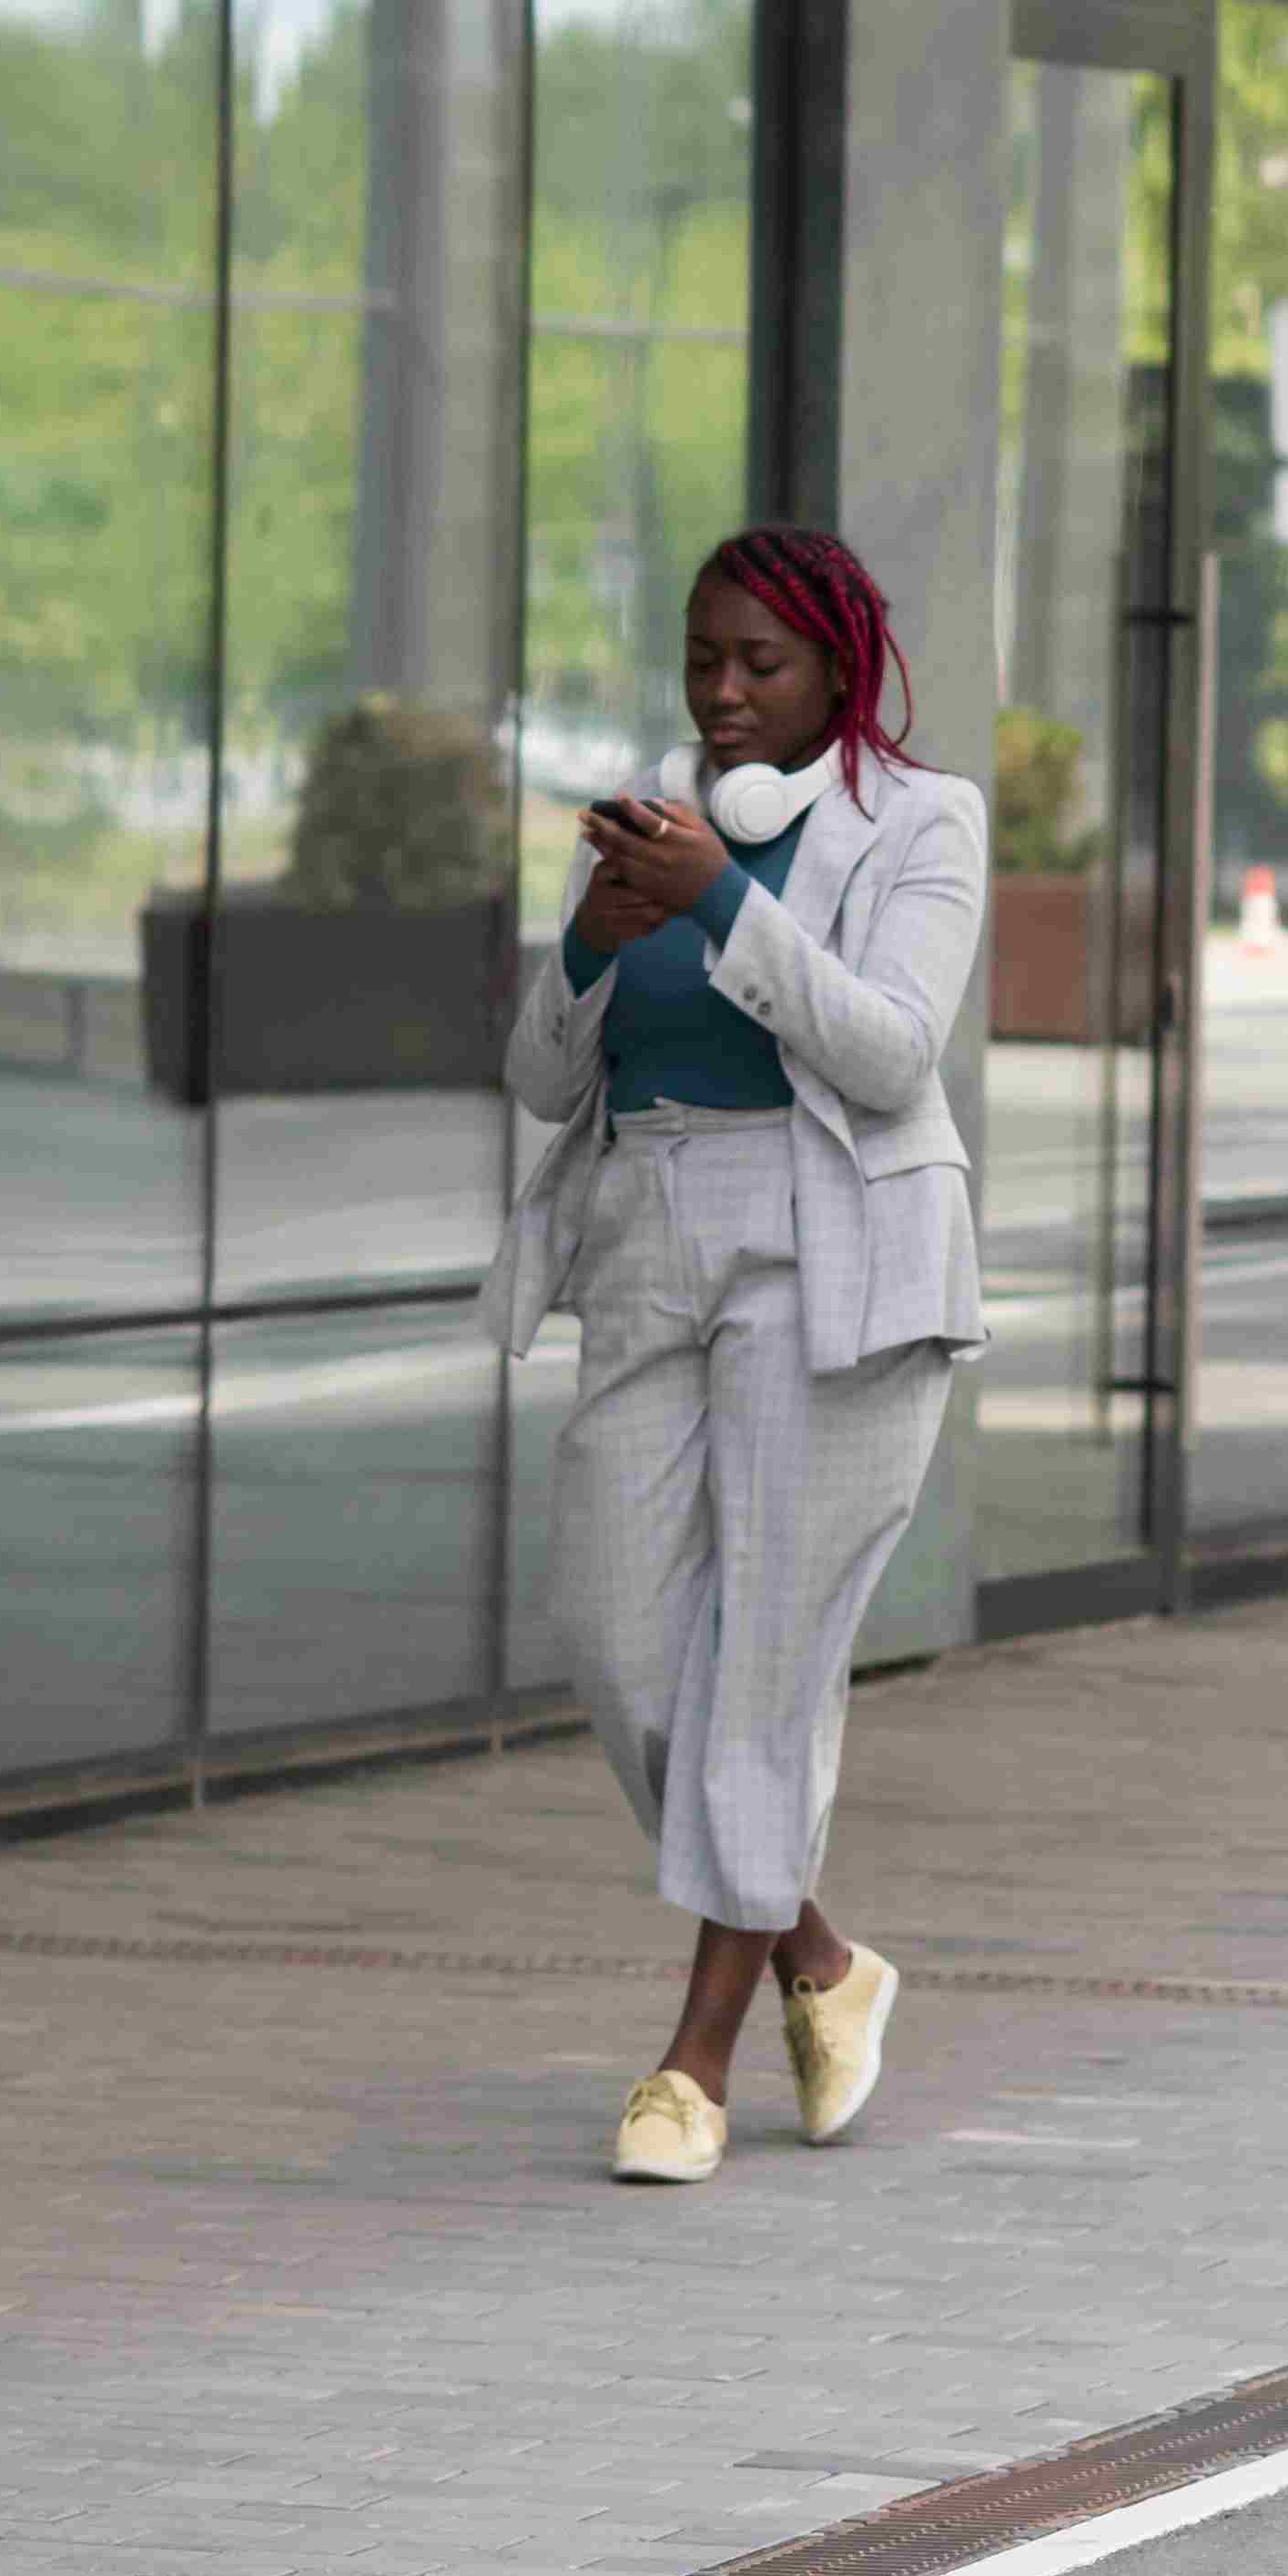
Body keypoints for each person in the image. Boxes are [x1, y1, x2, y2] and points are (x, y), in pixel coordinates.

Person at [492, 525, 989, 2184]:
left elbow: (894, 1049)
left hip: (833, 1240)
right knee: (625, 1642)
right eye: (704, 659)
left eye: (760, 665)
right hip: (646, 1222)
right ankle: (824, 1964)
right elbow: (544, 1078)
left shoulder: (924, 825)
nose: (722, 692)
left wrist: (722, 906)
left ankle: (689, 2066)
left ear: (840, 669)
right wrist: (587, 944)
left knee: (764, 1658)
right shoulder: (652, 809)